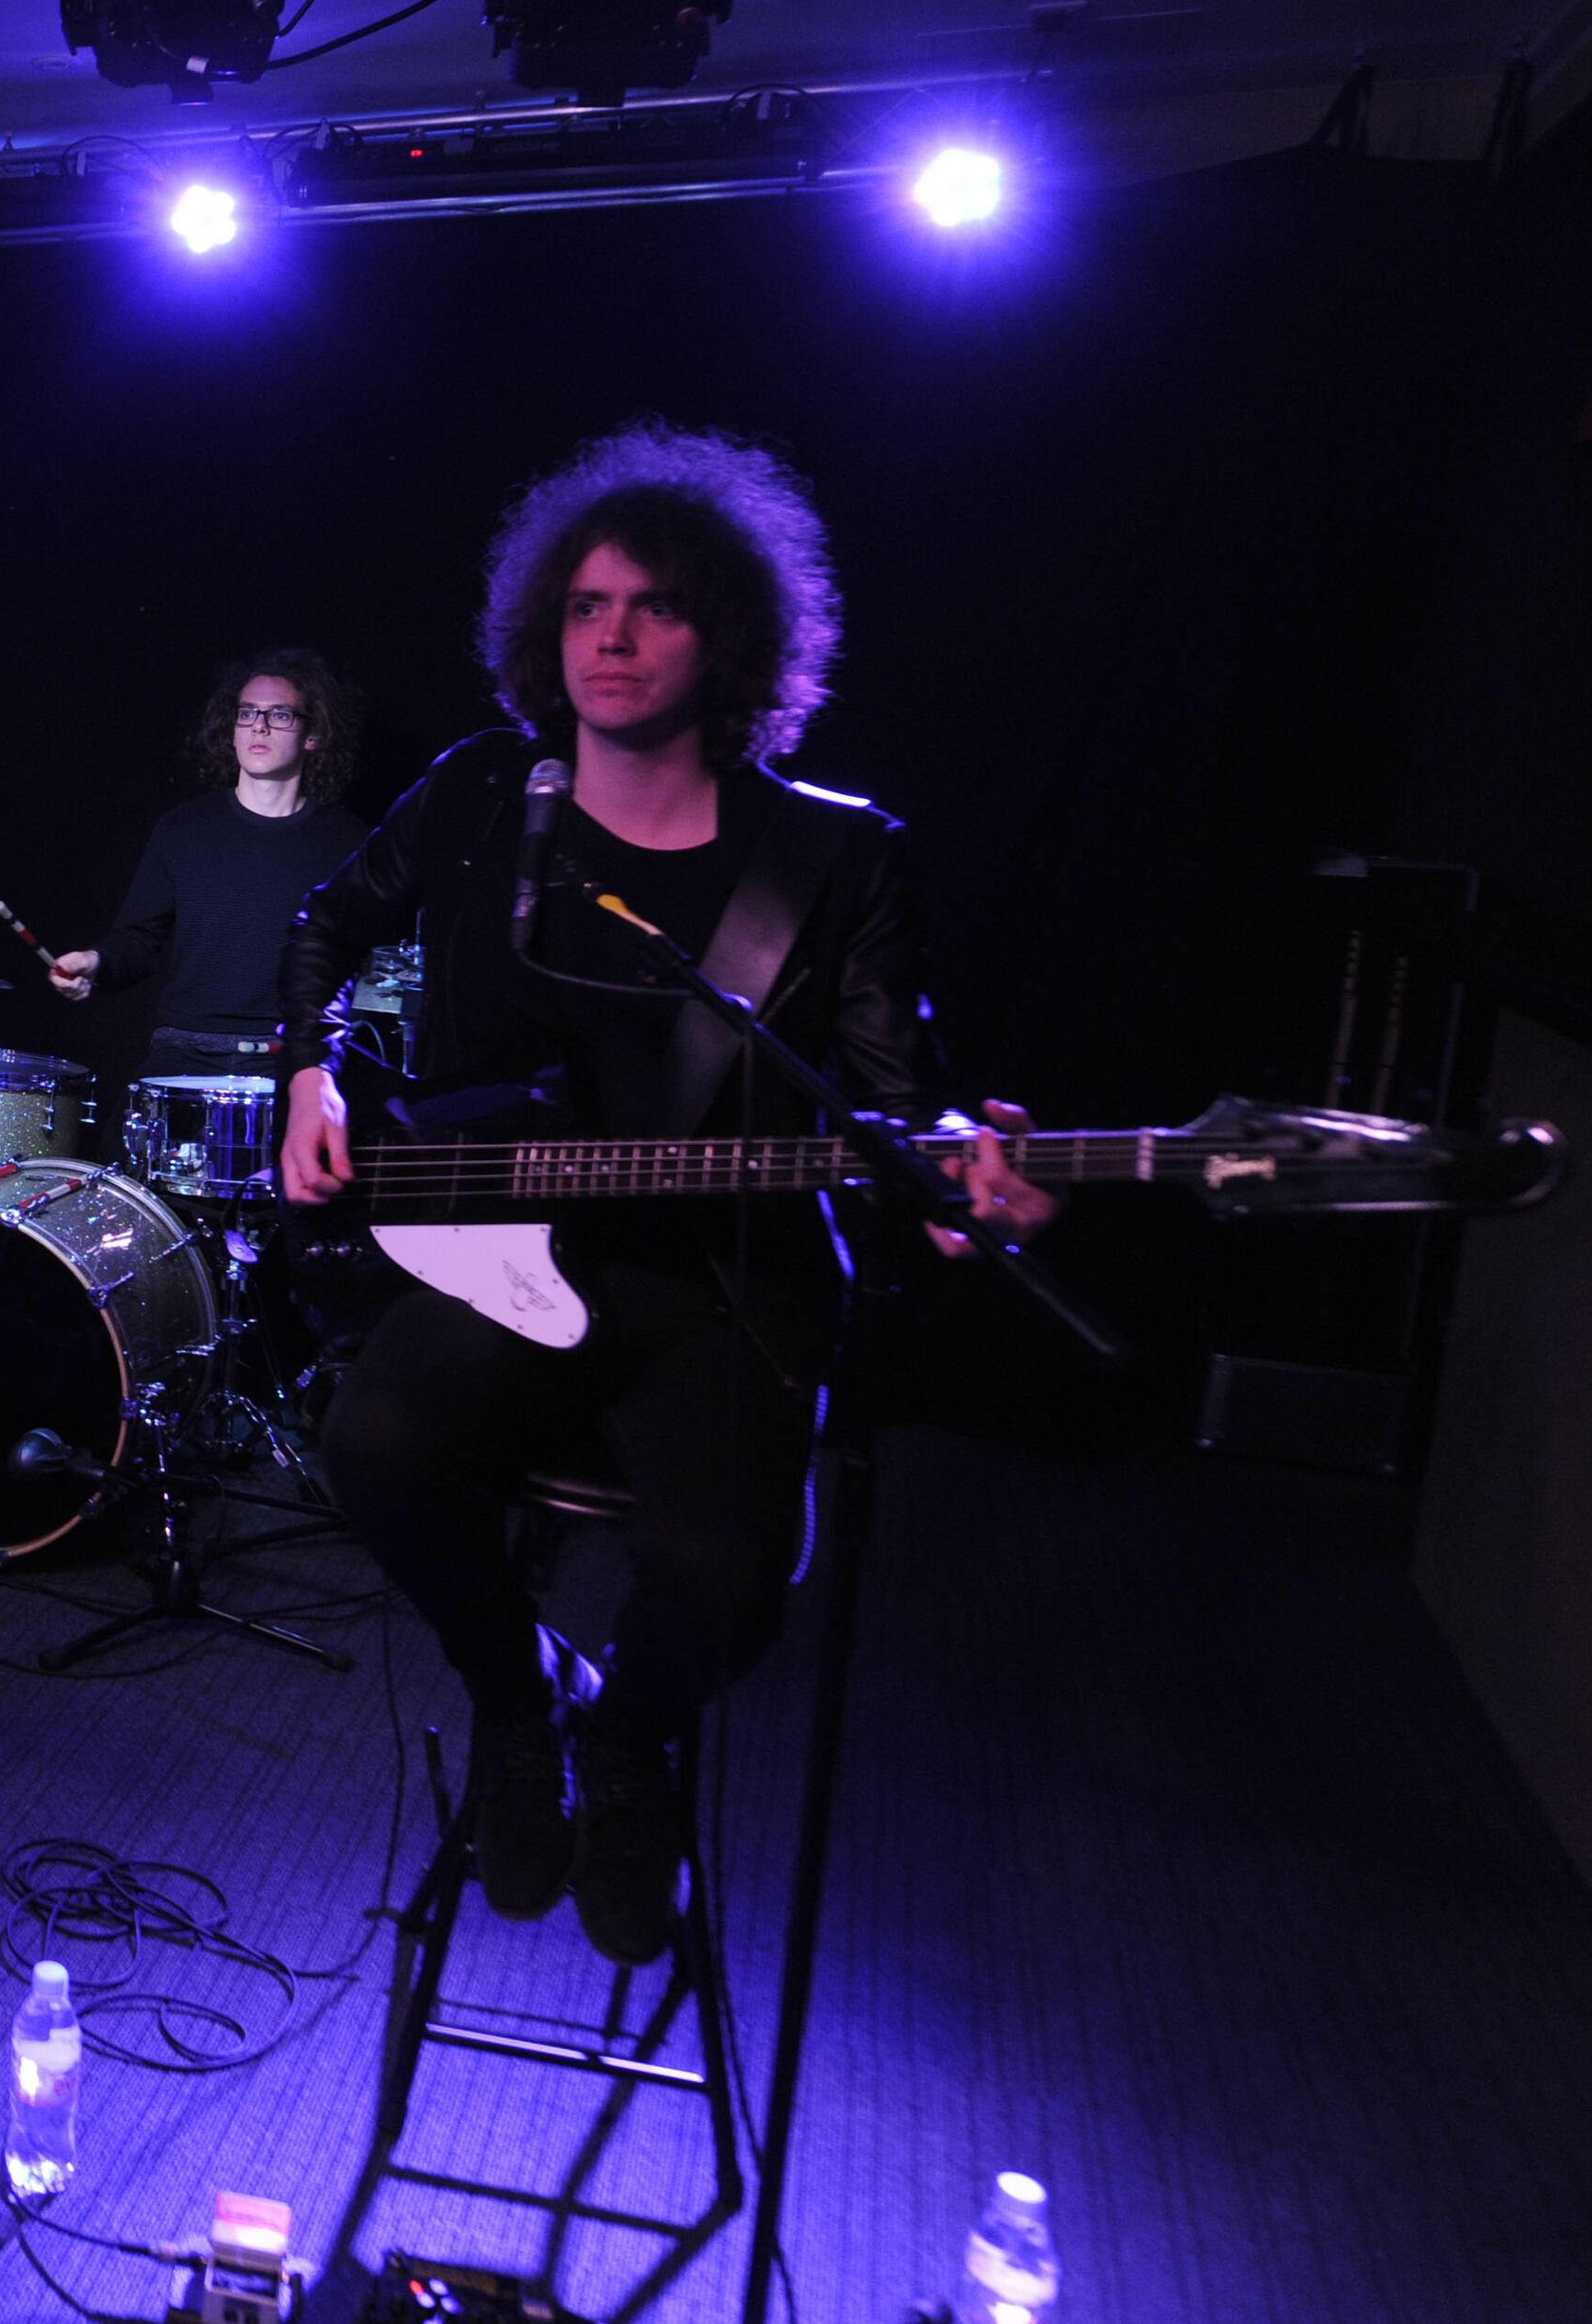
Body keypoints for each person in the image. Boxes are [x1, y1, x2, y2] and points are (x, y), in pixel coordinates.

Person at [275, 425, 1053, 1964]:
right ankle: (517, 1698)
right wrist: (311, 1070)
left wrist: (964, 1178)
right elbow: (328, 920)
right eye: (585, 604)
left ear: (732, 636)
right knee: (370, 1447)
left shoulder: (833, 858)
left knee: (728, 1576)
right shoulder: (492, 791)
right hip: (501, 1251)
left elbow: (898, 1103)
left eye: (656, 606)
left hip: (727, 1274)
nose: (612, 637)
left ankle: (628, 1738)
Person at [49, 652, 370, 1074]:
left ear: (313, 735)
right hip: (183, 1052)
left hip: (292, 1058)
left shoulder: (348, 842)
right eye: (248, 713)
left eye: (279, 715)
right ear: (231, 730)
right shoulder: (183, 829)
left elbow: (370, 962)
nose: (259, 725)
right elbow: (140, 940)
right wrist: (95, 962)